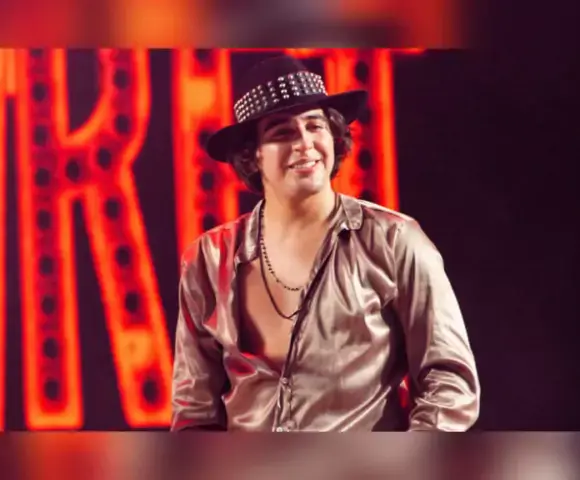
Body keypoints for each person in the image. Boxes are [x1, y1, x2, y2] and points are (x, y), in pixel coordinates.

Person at [171, 54, 480, 432]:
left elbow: (449, 382)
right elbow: (194, 409)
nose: (304, 143)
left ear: (333, 137)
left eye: (315, 126)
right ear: (252, 156)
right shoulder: (208, 258)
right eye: (282, 132)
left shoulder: (395, 241)